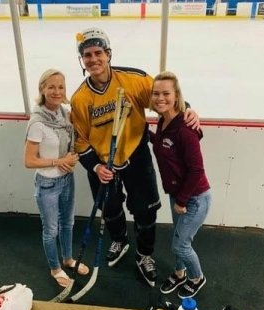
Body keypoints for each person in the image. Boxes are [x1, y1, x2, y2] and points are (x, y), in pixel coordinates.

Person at [70, 27, 199, 288]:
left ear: (108, 54)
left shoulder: (133, 80)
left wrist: (188, 109)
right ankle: (120, 240)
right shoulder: (80, 99)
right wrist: (95, 166)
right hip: (103, 165)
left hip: (136, 155)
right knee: (111, 209)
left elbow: (164, 98)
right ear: (82, 60)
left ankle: (144, 255)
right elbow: (81, 140)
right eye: (87, 55)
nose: (93, 59)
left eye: (98, 53)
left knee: (145, 210)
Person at [24, 69, 89, 288]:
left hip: (66, 179)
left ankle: (68, 259)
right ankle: (55, 268)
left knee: (68, 223)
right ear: (42, 89)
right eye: (51, 86)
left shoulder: (65, 114)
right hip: (47, 184)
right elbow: (29, 161)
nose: (56, 91)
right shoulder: (37, 122)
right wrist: (58, 161)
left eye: (60, 86)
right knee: (50, 230)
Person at [150, 71, 211, 298]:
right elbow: (164, 145)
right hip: (177, 195)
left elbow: (197, 171)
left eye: (166, 93)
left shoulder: (185, 129)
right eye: (156, 93)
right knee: (178, 237)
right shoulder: (163, 121)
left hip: (194, 198)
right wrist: (146, 136)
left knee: (180, 245)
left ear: (176, 96)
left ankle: (197, 277)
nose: (160, 98)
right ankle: (179, 273)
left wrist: (183, 201)